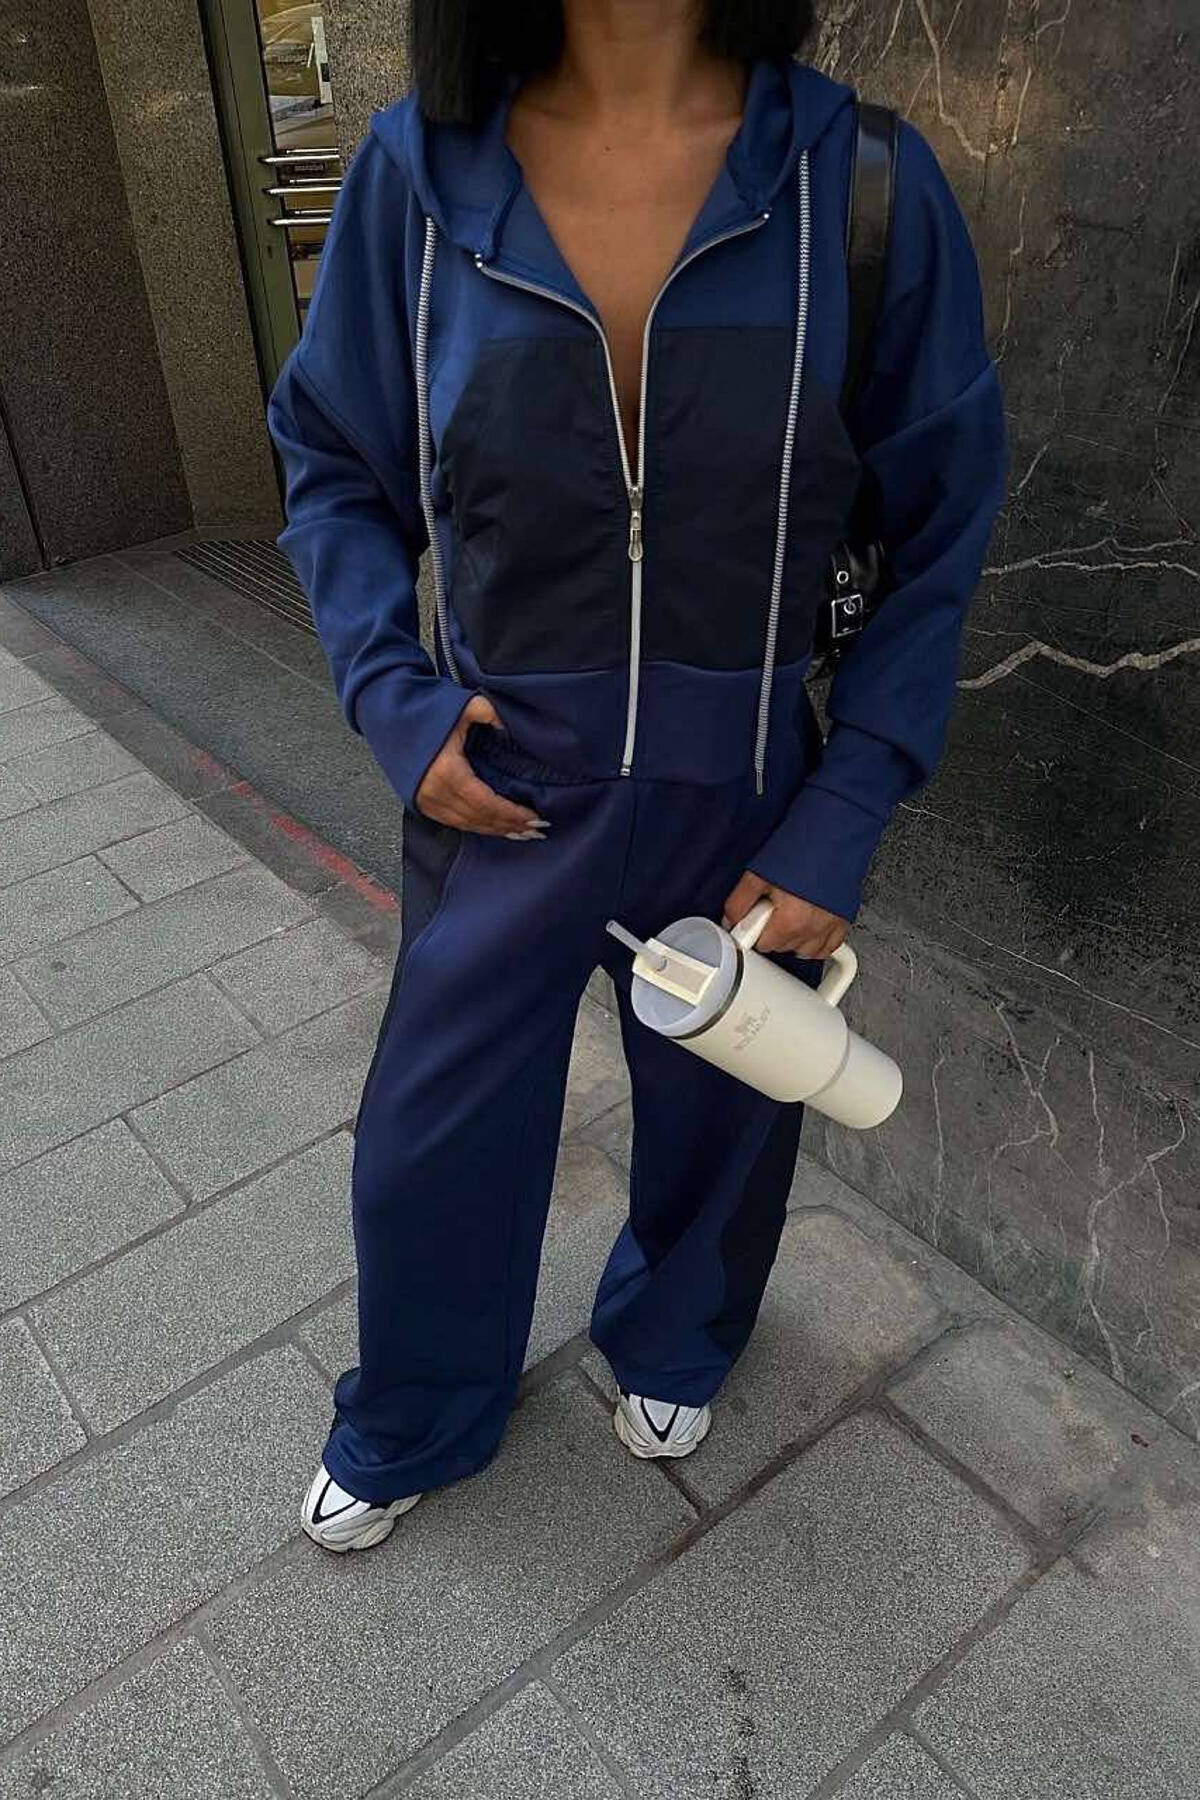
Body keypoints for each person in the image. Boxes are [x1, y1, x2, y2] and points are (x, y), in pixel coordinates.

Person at [268, 0, 1007, 1552]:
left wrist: (847, 806)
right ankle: (420, 1406)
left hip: (746, 782)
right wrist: (393, 697)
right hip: (500, 784)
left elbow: (941, 525)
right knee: (430, 1139)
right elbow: (332, 458)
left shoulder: (859, 183)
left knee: (725, 1118)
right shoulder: (420, 174)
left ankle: (678, 1334)